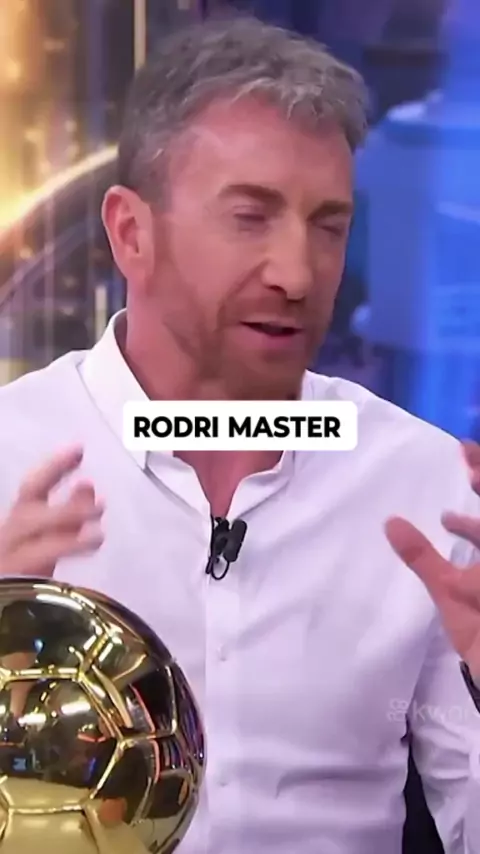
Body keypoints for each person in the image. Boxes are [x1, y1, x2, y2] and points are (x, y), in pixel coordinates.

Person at [1, 16, 480, 854]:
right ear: (131, 233)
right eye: (250, 218)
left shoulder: (425, 486)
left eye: (328, 226)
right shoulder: (11, 456)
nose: (297, 275)